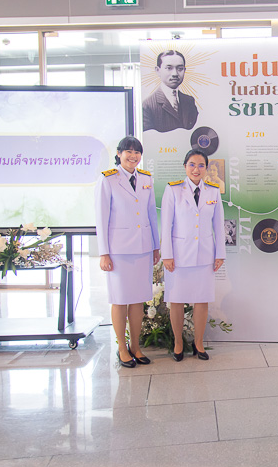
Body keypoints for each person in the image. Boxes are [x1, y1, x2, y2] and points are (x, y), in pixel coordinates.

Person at [95, 136, 160, 368]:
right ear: (119, 154)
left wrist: (155, 245)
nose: (133, 156)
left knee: (138, 300)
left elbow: (151, 214)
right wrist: (104, 253)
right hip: (119, 250)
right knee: (120, 299)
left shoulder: (146, 179)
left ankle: (135, 346)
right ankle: (122, 348)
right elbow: (101, 218)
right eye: (128, 152)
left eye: (137, 152)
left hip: (143, 248)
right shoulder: (108, 179)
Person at [160, 149, 226, 361]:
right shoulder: (173, 190)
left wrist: (220, 253)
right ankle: (178, 343)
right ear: (185, 166)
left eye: (201, 165)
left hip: (205, 254)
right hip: (178, 256)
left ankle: (198, 343)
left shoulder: (213, 191)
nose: (196, 169)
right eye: (192, 164)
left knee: (201, 300)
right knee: (177, 300)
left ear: (206, 168)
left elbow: (218, 224)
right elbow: (166, 224)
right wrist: (167, 255)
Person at [142, 50, 198, 133]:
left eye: (180, 69)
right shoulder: (147, 105)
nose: (175, 74)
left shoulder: (189, 101)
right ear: (158, 70)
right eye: (169, 68)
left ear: (184, 70)